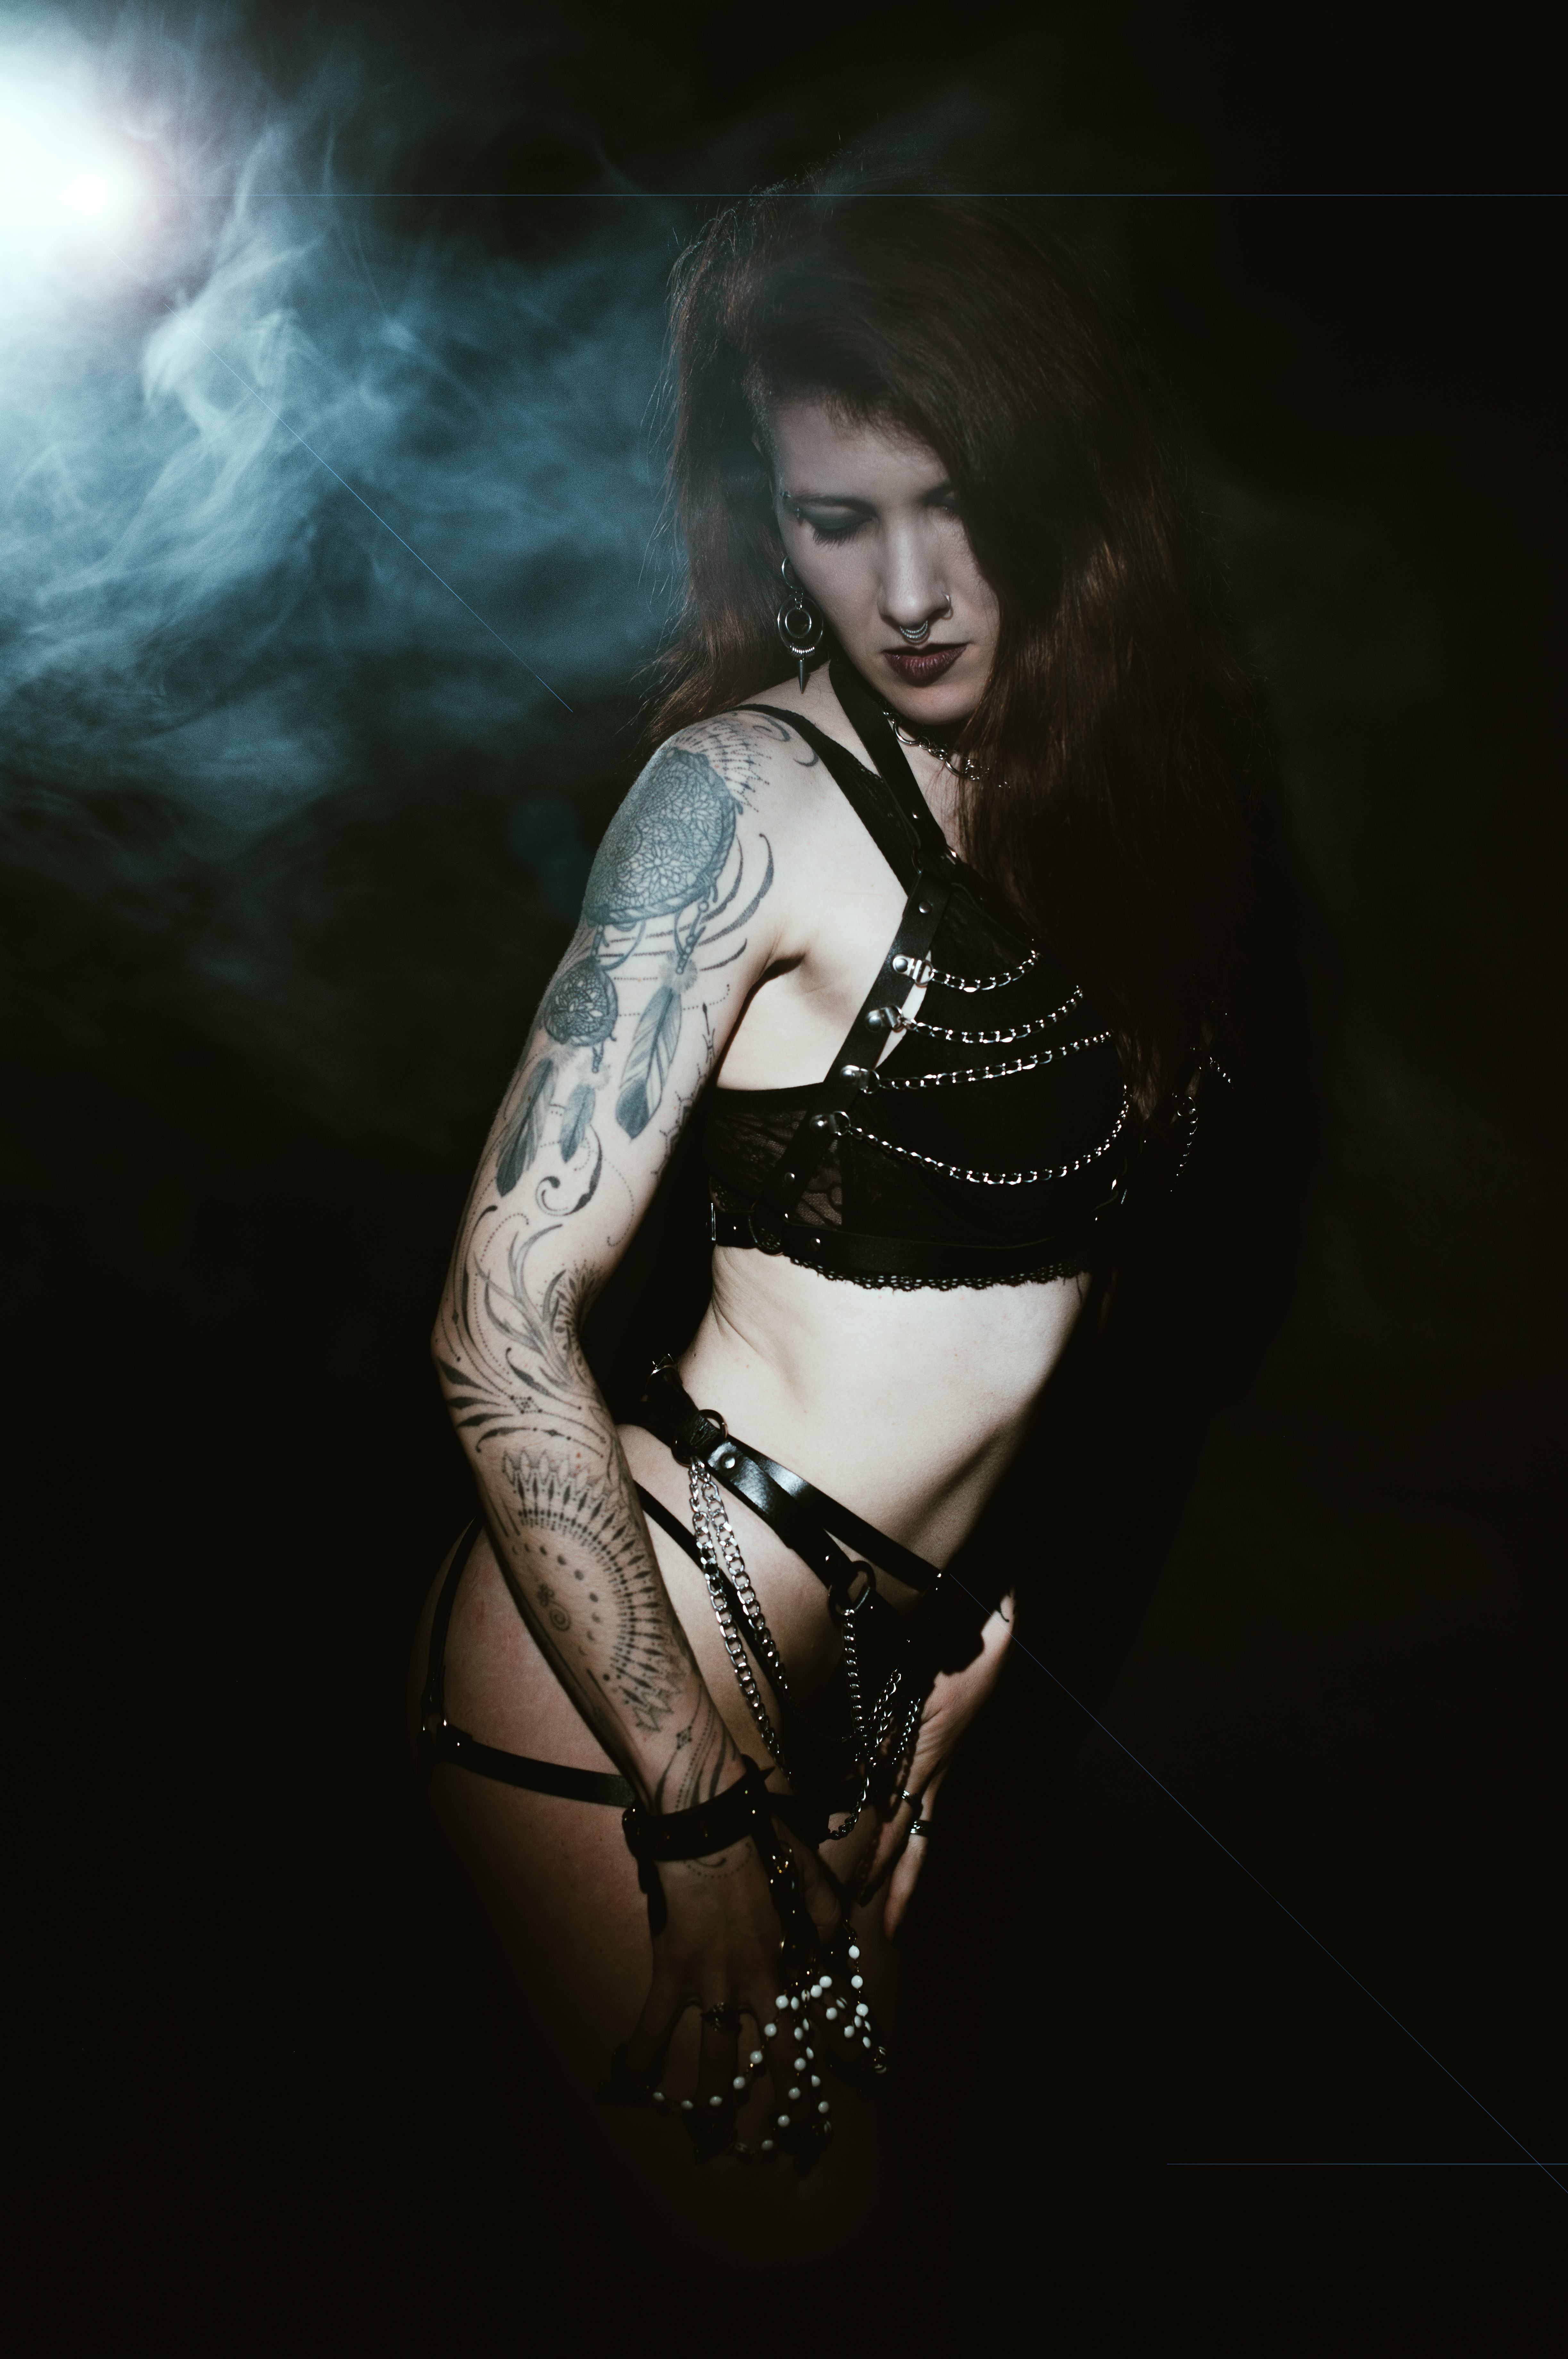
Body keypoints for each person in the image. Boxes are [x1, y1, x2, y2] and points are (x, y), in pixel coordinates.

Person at [410, 192, 1256, 2273]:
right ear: (771, 527)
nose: (914, 591)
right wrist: (692, 1801)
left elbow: (1066, 1284)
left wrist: (975, 1632)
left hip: (877, 1679)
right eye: (837, 521)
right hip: (630, 1660)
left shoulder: (1098, 795)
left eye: (954, 505)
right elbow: (496, 1321)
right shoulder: (744, 800)